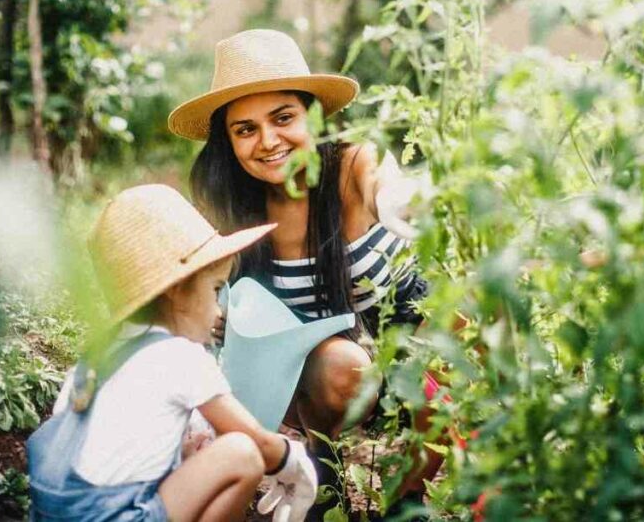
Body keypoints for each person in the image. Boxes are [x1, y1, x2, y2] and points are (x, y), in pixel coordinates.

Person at [168, 29, 437, 518]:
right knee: (344, 367)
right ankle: (320, 479)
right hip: (304, 377)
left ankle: (406, 503)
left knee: (442, 354)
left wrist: (404, 199)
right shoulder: (227, 203)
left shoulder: (352, 166)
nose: (268, 142)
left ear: (312, 115)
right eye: (245, 129)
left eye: (283, 118)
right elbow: (189, 304)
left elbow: (387, 186)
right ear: (228, 142)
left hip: (407, 342)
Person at [27, 184, 318, 522]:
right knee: (242, 455)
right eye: (214, 290)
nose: (218, 311)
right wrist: (294, 462)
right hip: (112, 516)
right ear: (179, 291)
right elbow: (258, 443)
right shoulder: (180, 357)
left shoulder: (97, 356)